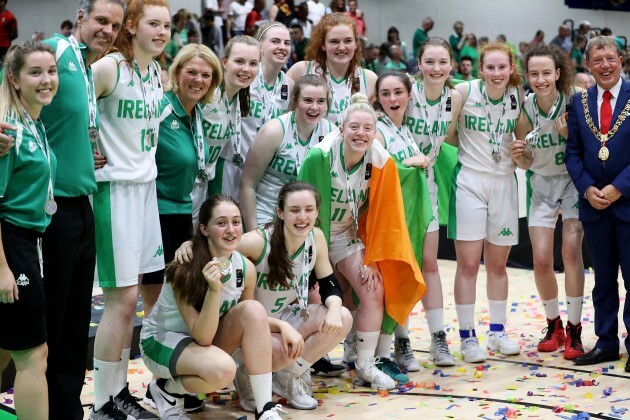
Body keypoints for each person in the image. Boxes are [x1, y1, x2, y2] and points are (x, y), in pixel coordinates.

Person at [298, 94, 426, 389]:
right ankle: (296, 367)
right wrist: (319, 261)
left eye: (368, 128)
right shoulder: (320, 156)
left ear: (375, 132)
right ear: (341, 130)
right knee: (317, 300)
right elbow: (301, 212)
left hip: (346, 234)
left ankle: (365, 365)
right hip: (312, 237)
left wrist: (370, 257)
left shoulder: (381, 161)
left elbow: (386, 214)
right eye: (354, 127)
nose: (361, 134)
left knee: (373, 286)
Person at [40, 1, 125, 417]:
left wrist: (88, 151)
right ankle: (45, 406)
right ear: (81, 18)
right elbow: (11, 91)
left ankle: (68, 406)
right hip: (49, 209)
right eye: (101, 21)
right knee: (52, 318)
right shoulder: (55, 51)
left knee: (76, 319)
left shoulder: (91, 70)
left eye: (114, 25)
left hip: (82, 203)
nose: (107, 30)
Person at [88, 1, 170, 418]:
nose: (162, 32)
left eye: (168, 25)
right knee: (121, 299)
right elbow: (69, 110)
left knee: (132, 296)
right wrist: (87, 146)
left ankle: (118, 393)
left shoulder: (156, 71)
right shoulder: (108, 68)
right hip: (113, 190)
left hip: (145, 189)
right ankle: (102, 401)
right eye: (154, 23)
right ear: (133, 25)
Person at [142, 195, 284, 419]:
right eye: (221, 223)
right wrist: (214, 290)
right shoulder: (185, 266)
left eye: (236, 222)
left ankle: (264, 408)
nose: (231, 230)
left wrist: (283, 327)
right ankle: (165, 389)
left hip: (198, 344)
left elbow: (249, 319)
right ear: (204, 229)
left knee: (255, 312)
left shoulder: (245, 267)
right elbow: (204, 338)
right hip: (162, 341)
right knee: (223, 371)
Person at [139, 43, 222, 412]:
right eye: (192, 71)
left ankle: (170, 384)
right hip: (153, 213)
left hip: (180, 213)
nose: (199, 79)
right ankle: (158, 382)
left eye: (206, 75)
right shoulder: (159, 107)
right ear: (176, 73)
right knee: (156, 301)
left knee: (176, 299)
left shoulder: (196, 114)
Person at [448, 41, 524, 363]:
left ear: (510, 69)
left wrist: (524, 156)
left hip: (505, 182)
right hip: (470, 182)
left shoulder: (517, 96)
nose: (496, 73)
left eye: (502, 67)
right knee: (467, 265)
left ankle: (496, 331)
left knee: (497, 265)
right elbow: (449, 132)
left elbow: (521, 143)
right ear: (480, 69)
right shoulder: (464, 92)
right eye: (490, 67)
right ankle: (467, 338)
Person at [510, 44, 585, 360]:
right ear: (527, 76)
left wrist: (571, 137)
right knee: (541, 259)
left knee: (570, 252)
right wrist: (519, 157)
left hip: (571, 183)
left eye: (546, 73)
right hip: (540, 185)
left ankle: (575, 330)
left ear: (558, 73)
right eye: (534, 73)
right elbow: (525, 163)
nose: (540, 79)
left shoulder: (575, 100)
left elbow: (590, 148)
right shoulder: (525, 109)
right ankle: (553, 324)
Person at [0, 39, 58, 420]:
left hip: (29, 241)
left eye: (51, 71)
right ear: (15, 79)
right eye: (35, 72)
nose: (46, 79)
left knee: (6, 347)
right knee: (33, 354)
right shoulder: (7, 130)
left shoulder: (32, 122)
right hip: (11, 244)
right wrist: (2, 268)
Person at [565, 36, 630, 372]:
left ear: (621, 60)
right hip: (594, 207)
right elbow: (572, 152)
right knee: (603, 279)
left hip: (628, 203)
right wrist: (588, 188)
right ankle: (606, 342)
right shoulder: (579, 102)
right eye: (597, 60)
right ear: (587, 65)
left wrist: (619, 188)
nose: (605, 66)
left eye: (610, 59)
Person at [241, 74, 333, 230]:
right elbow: (247, 184)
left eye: (321, 101)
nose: (315, 107)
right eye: (308, 100)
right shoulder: (273, 131)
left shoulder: (331, 134)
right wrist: (254, 232)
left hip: (303, 218)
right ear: (295, 100)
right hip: (267, 214)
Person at [286, 12, 377, 127]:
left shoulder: (370, 79)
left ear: (355, 44)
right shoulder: (301, 71)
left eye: (348, 41)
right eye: (334, 41)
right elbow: (282, 113)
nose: (342, 47)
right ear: (323, 44)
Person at [200, 35, 259, 209]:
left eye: (253, 63)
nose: (246, 69)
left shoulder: (237, 97)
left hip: (203, 182)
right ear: (224, 62)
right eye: (239, 61)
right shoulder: (206, 94)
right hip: (183, 184)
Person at [241, 21, 294, 202]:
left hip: (266, 175)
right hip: (234, 165)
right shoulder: (245, 77)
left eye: (287, 43)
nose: (282, 47)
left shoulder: (290, 86)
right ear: (260, 46)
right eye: (276, 41)